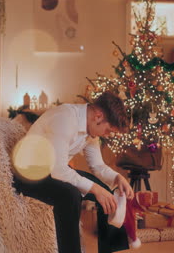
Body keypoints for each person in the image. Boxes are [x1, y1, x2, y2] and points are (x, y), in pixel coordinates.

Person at [13, 91, 134, 253]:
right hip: (28, 174)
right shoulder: (65, 118)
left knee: (107, 191)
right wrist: (95, 190)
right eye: (108, 130)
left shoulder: (91, 131)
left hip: (52, 170)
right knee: (70, 195)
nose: (108, 135)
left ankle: (110, 250)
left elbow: (97, 165)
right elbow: (58, 170)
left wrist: (117, 177)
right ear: (98, 116)